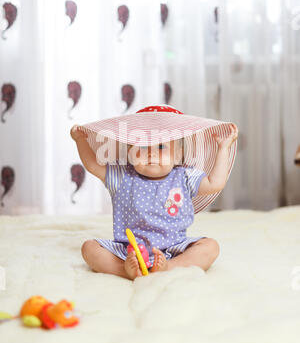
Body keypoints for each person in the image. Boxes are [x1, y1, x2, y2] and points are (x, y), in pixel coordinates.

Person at [70, 105, 238, 280]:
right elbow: (93, 165)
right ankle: (125, 269)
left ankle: (169, 267)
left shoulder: (184, 176)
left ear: (178, 153)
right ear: (130, 152)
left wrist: (223, 149)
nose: (151, 153)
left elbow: (215, 183)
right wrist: (80, 140)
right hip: (129, 250)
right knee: (89, 248)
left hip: (175, 248)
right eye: (142, 147)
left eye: (160, 147)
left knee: (210, 246)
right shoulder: (122, 176)